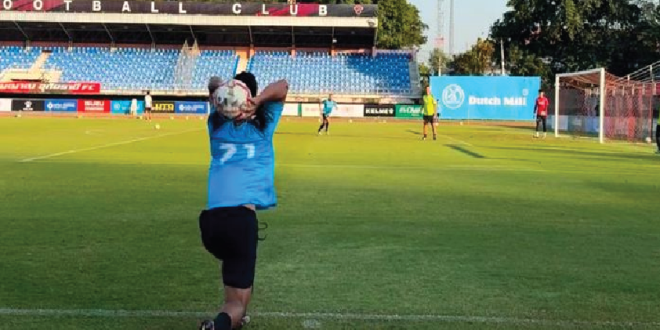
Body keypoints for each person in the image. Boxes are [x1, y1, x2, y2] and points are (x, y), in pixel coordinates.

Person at [199, 72, 288, 330]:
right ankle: (217, 326)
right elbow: (282, 86)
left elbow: (213, 81)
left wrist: (226, 94)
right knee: (237, 303)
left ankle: (229, 323)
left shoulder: (216, 123)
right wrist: (257, 100)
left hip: (211, 223)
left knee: (236, 297)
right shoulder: (263, 124)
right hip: (240, 222)